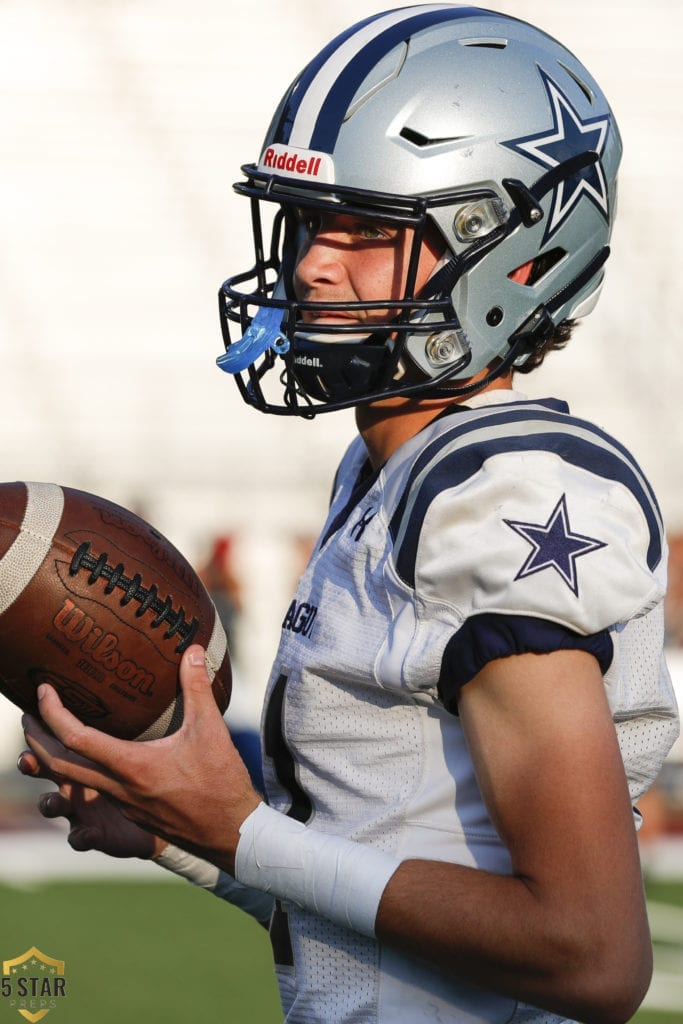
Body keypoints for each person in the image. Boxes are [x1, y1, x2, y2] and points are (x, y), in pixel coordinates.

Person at [19, 6, 680, 1024]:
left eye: (366, 231)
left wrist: (239, 829)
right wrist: (176, 833)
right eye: (304, 222)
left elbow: (587, 954)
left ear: (512, 254)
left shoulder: (500, 495)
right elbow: (368, 929)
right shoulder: (382, 472)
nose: (309, 265)